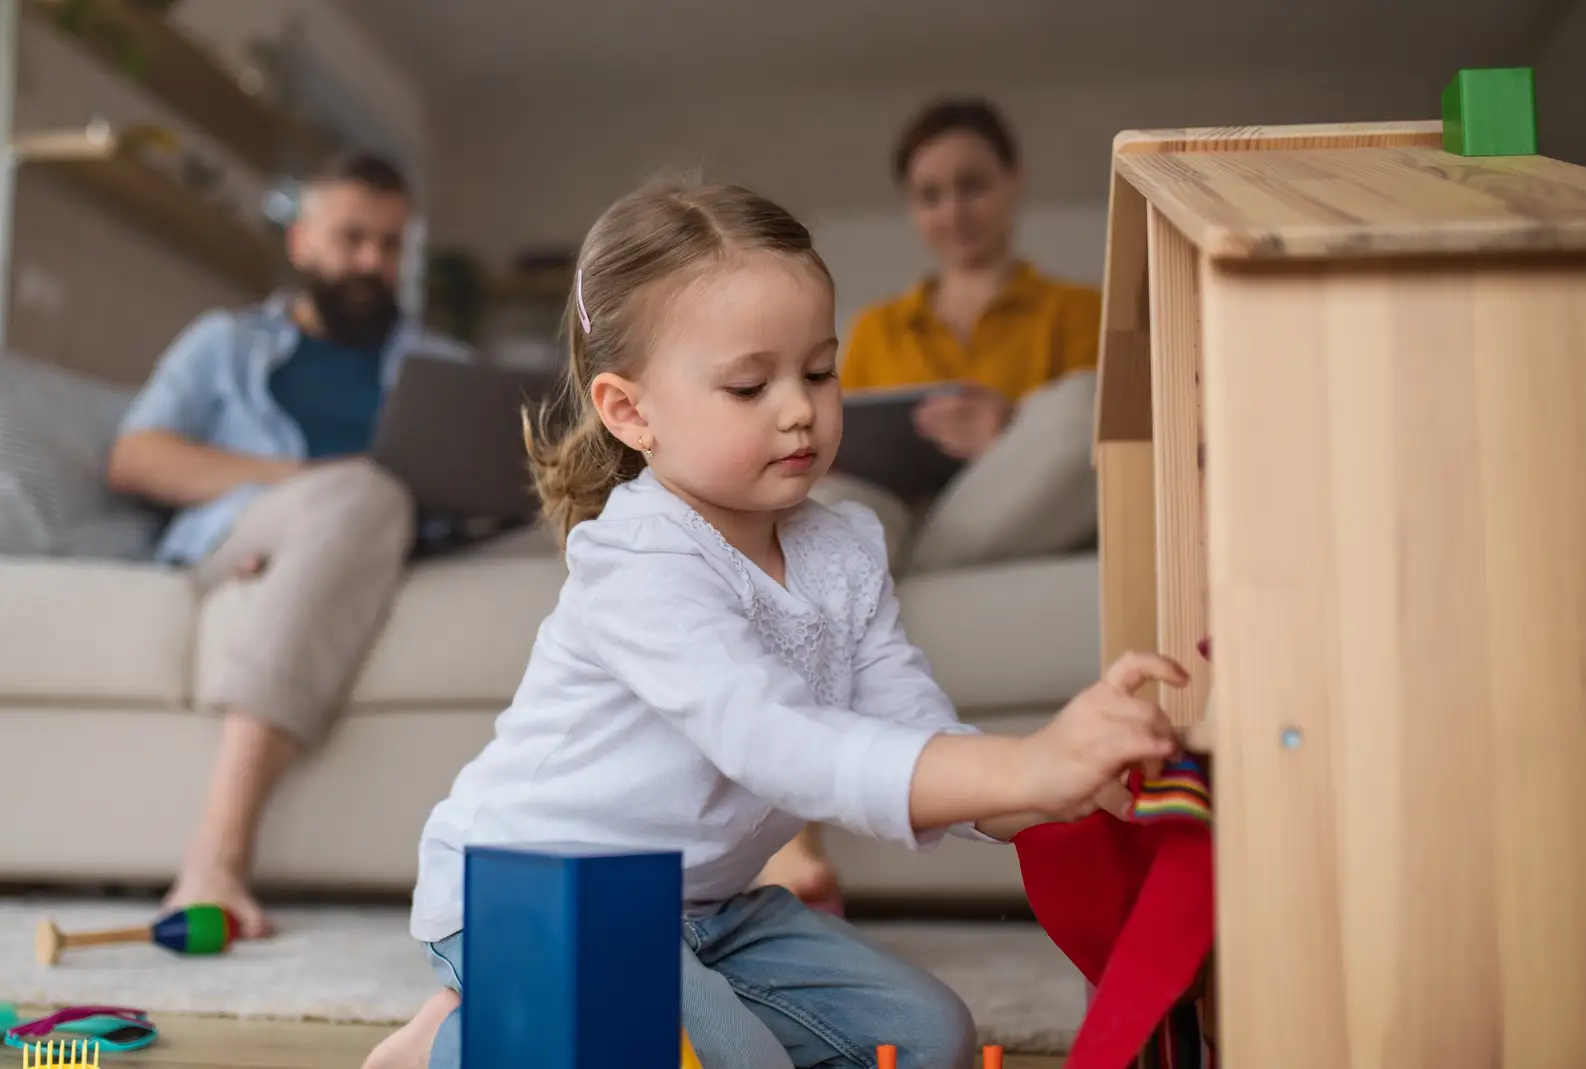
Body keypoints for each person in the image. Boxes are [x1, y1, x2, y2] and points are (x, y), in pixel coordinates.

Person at [360, 177, 1187, 1069]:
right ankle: (453, 1041)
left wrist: (1039, 788)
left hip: (709, 904)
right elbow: (777, 742)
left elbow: (908, 720)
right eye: (750, 384)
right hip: (540, 895)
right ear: (630, 412)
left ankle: (531, 1019)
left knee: (927, 1037)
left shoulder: (846, 546)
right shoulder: (638, 563)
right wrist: (1026, 762)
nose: (798, 407)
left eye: (820, 371)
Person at [105, 152, 479, 938]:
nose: (372, 262)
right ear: (303, 241)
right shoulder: (225, 343)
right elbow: (136, 455)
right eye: (352, 239)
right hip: (252, 527)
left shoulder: (441, 367)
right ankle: (213, 859)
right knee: (363, 492)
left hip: (397, 538)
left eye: (390, 245)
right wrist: (309, 478)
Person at [759, 97, 1107, 914]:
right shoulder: (876, 331)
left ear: (1014, 183)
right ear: (912, 208)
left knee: (1078, 407)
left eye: (973, 185)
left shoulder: (1077, 314)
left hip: (999, 516)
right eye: (931, 193)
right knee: (826, 506)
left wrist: (1009, 430)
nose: (954, 209)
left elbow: (1080, 459)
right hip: (885, 517)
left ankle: (853, 571)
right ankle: (791, 836)